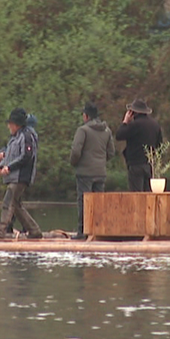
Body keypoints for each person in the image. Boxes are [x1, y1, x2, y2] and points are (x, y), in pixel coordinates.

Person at [0, 107, 43, 240]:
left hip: (21, 176)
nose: (8, 126)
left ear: (17, 124)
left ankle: (0, 232)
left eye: (10, 124)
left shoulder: (27, 136)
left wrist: (9, 168)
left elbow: (26, 156)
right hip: (13, 176)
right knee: (16, 205)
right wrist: (0, 167)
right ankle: (34, 230)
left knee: (8, 202)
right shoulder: (14, 138)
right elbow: (10, 155)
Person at [69, 102, 113, 240]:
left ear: (86, 116)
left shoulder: (83, 130)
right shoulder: (107, 131)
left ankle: (83, 231)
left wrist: (74, 163)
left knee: (84, 202)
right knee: (99, 203)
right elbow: (111, 152)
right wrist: (101, 161)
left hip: (85, 173)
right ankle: (98, 230)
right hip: (101, 172)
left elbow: (76, 151)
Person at [115, 98, 164, 191]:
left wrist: (125, 122)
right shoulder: (155, 125)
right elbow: (159, 146)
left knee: (136, 195)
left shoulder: (134, 125)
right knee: (148, 194)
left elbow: (119, 135)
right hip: (149, 165)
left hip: (135, 164)